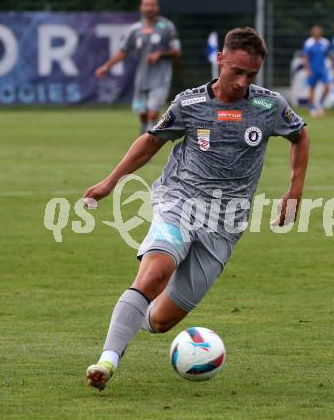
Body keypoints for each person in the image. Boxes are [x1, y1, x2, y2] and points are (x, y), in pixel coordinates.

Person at [83, 27, 310, 392]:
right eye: (236, 71)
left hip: (226, 223)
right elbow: (152, 141)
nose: (242, 82)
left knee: (161, 321)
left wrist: (294, 190)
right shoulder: (189, 104)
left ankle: (134, 314)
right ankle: (107, 360)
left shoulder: (269, 106)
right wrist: (111, 181)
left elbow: (299, 135)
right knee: (156, 271)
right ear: (220, 60)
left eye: (251, 75)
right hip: (179, 202)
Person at [95, 0, 181, 134]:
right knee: (142, 114)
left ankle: (151, 140)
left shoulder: (167, 27)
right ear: (141, 7)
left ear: (157, 7)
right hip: (141, 79)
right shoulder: (135, 29)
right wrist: (106, 66)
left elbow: (176, 52)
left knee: (153, 113)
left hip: (161, 79)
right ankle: (144, 137)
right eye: (147, 5)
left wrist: (160, 54)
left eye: (153, 5)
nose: (150, 8)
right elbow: (123, 51)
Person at [302, 25, 331, 117]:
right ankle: (312, 108)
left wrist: (333, 63)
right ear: (313, 33)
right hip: (313, 69)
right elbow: (306, 57)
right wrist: (308, 69)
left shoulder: (325, 42)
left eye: (319, 31)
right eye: (316, 31)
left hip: (322, 69)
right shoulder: (309, 43)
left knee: (327, 87)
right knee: (312, 89)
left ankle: (320, 103)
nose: (318, 32)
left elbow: (328, 54)